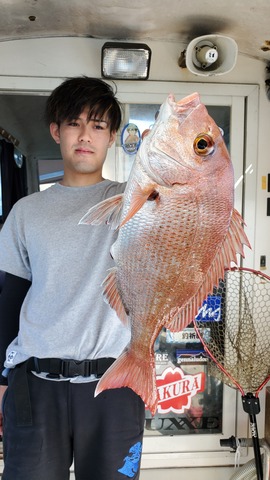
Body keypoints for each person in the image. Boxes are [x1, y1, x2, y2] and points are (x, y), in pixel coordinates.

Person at [0, 76, 145, 480]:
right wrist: (0, 379)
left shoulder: (136, 203)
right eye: (74, 123)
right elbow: (10, 296)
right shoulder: (26, 212)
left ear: (113, 136)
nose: (85, 135)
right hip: (34, 386)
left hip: (115, 385)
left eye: (98, 125)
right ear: (56, 131)